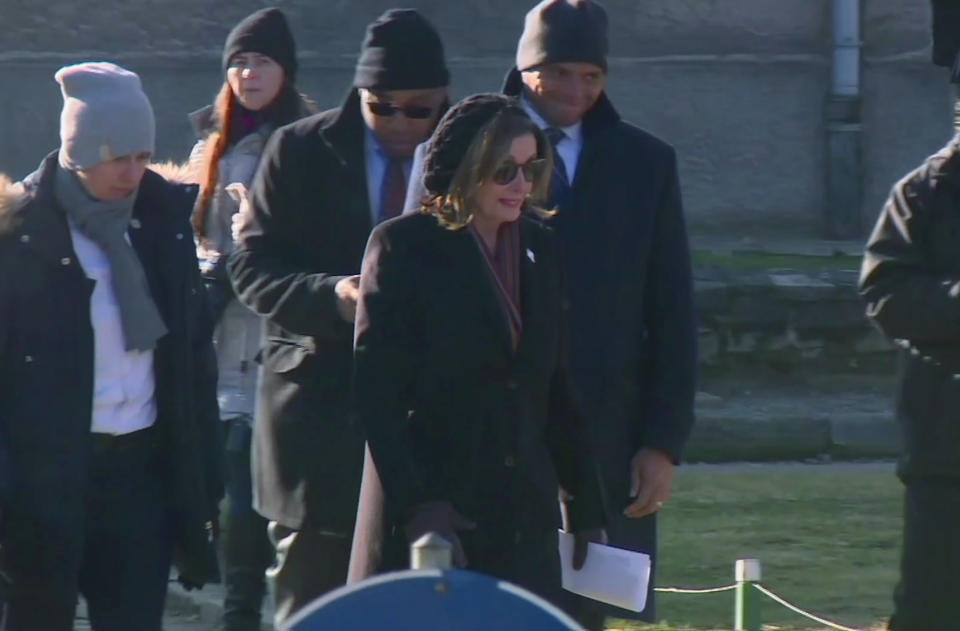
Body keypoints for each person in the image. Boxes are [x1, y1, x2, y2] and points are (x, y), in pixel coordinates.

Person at [403, 1, 697, 626]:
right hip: (485, 433)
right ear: (525, 69)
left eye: (592, 76)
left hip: (599, 432)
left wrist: (661, 442)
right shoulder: (462, 148)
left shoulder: (646, 164)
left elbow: (671, 311)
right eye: (559, 72)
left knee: (583, 611)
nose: (576, 90)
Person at [226, 8, 450, 626]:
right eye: (385, 107)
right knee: (315, 605)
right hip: (319, 419)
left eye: (420, 108)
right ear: (361, 96)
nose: (402, 124)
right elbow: (252, 270)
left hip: (429, 425)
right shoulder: (298, 149)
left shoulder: (468, 155)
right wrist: (334, 297)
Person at [349, 93, 607, 605]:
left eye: (531, 168)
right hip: (437, 515)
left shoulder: (540, 246)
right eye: (503, 171)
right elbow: (376, 394)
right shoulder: (404, 247)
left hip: (519, 516)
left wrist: (585, 505)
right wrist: (421, 505)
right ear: (467, 170)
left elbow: (554, 386)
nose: (522, 186)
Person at [0, 62, 221, 631]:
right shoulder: (22, 234)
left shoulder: (161, 224)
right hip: (46, 473)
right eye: (117, 157)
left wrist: (202, 472)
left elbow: (191, 357)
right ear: (77, 152)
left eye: (143, 157)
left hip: (138, 474)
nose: (133, 173)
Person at [187, 8, 314, 631]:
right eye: (239, 60)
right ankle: (239, 612)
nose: (247, 71)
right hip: (222, 353)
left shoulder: (311, 144)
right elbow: (193, 243)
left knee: (268, 501)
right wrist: (207, 263)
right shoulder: (209, 147)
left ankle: (263, 610)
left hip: (285, 351)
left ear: (285, 70)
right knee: (234, 495)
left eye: (261, 60)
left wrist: (248, 242)